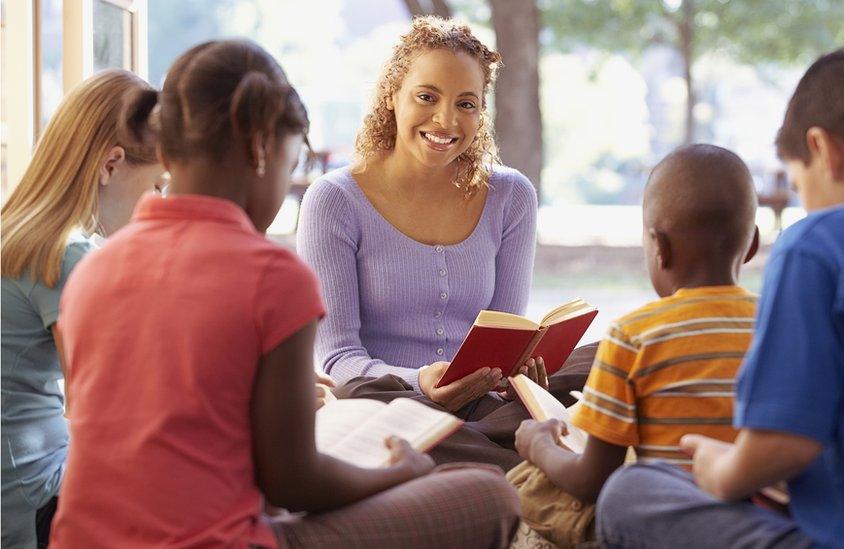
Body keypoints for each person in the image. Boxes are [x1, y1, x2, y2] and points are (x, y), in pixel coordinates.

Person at [49, 39, 519, 548]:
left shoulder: (91, 270)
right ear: (261, 151)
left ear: (164, 150)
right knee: (490, 497)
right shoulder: (272, 275)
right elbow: (294, 481)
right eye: (291, 163)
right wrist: (398, 473)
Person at [597, 49, 844, 549]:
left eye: (799, 184)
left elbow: (782, 444)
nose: (805, 202)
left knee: (632, 490)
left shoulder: (818, 245)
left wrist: (722, 470)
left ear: (824, 150)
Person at [297, 16, 589, 470]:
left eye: (467, 104)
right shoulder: (334, 200)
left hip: (484, 404)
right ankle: (527, 453)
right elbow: (338, 358)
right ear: (392, 96)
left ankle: (492, 449)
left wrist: (521, 372)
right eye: (427, 97)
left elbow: (507, 329)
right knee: (361, 399)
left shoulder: (511, 196)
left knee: (602, 361)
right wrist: (421, 382)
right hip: (389, 401)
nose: (447, 120)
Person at [510, 144, 762, 547]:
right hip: (758, 519)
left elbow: (594, 482)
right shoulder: (778, 326)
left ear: (659, 248)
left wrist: (538, 446)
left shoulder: (635, 335)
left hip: (664, 527)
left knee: (528, 487)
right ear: (751, 246)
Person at [1, 69, 165, 548]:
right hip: (32, 500)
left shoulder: (20, 232)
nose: (159, 202)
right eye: (157, 184)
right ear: (110, 166)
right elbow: (110, 411)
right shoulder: (66, 253)